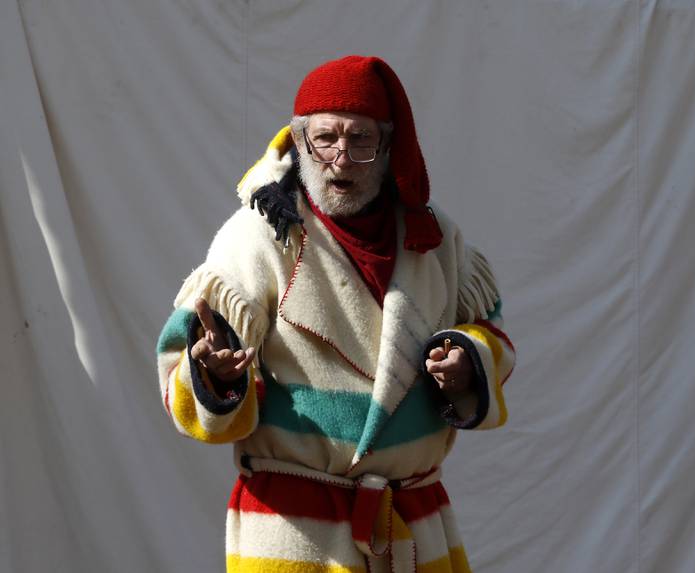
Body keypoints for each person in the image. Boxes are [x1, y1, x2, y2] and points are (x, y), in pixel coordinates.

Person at [156, 55, 515, 573]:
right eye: (325, 138)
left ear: (389, 148)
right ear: (298, 142)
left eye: (361, 139)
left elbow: (493, 335)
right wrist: (212, 375)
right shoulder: (256, 239)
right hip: (294, 534)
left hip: (413, 527)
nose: (341, 157)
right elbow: (183, 359)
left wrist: (467, 360)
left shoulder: (437, 242)